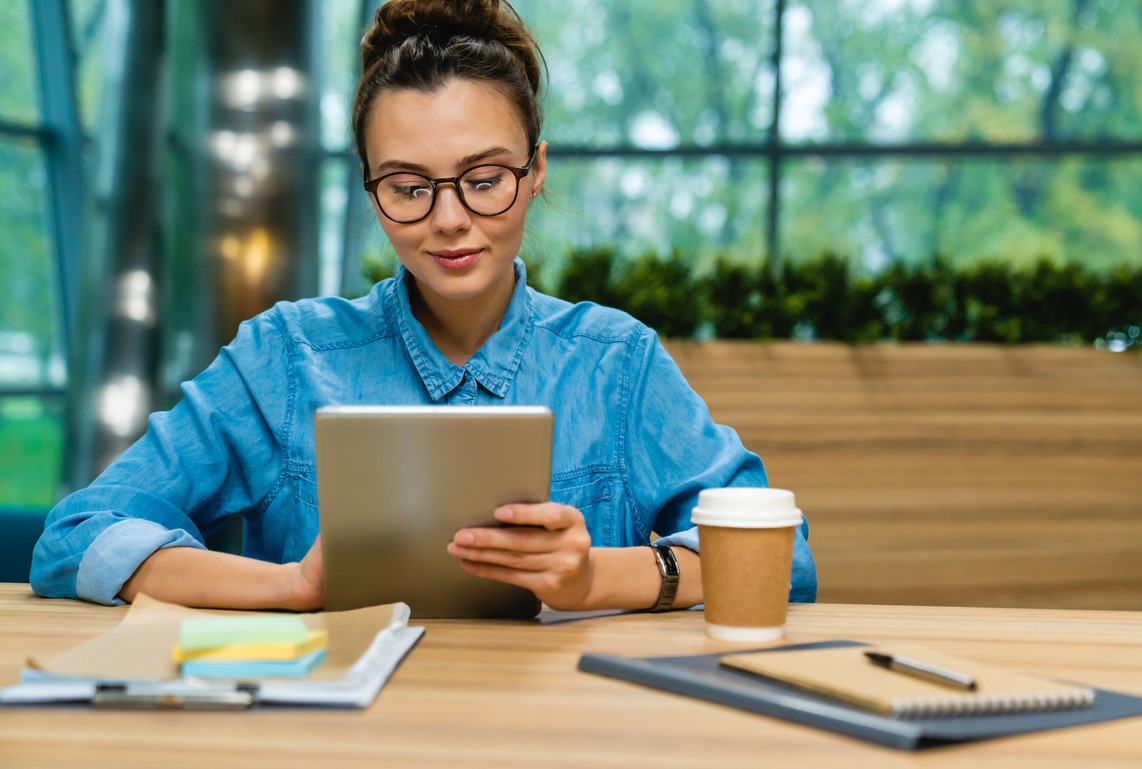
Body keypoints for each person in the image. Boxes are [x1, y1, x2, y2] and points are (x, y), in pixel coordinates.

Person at [31, 0, 817, 611]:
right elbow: (75, 534)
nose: (448, 219)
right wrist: (292, 587)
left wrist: (597, 578)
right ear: (371, 191)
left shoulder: (617, 361)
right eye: (408, 186)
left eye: (483, 179)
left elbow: (784, 557)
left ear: (535, 170)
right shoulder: (283, 357)